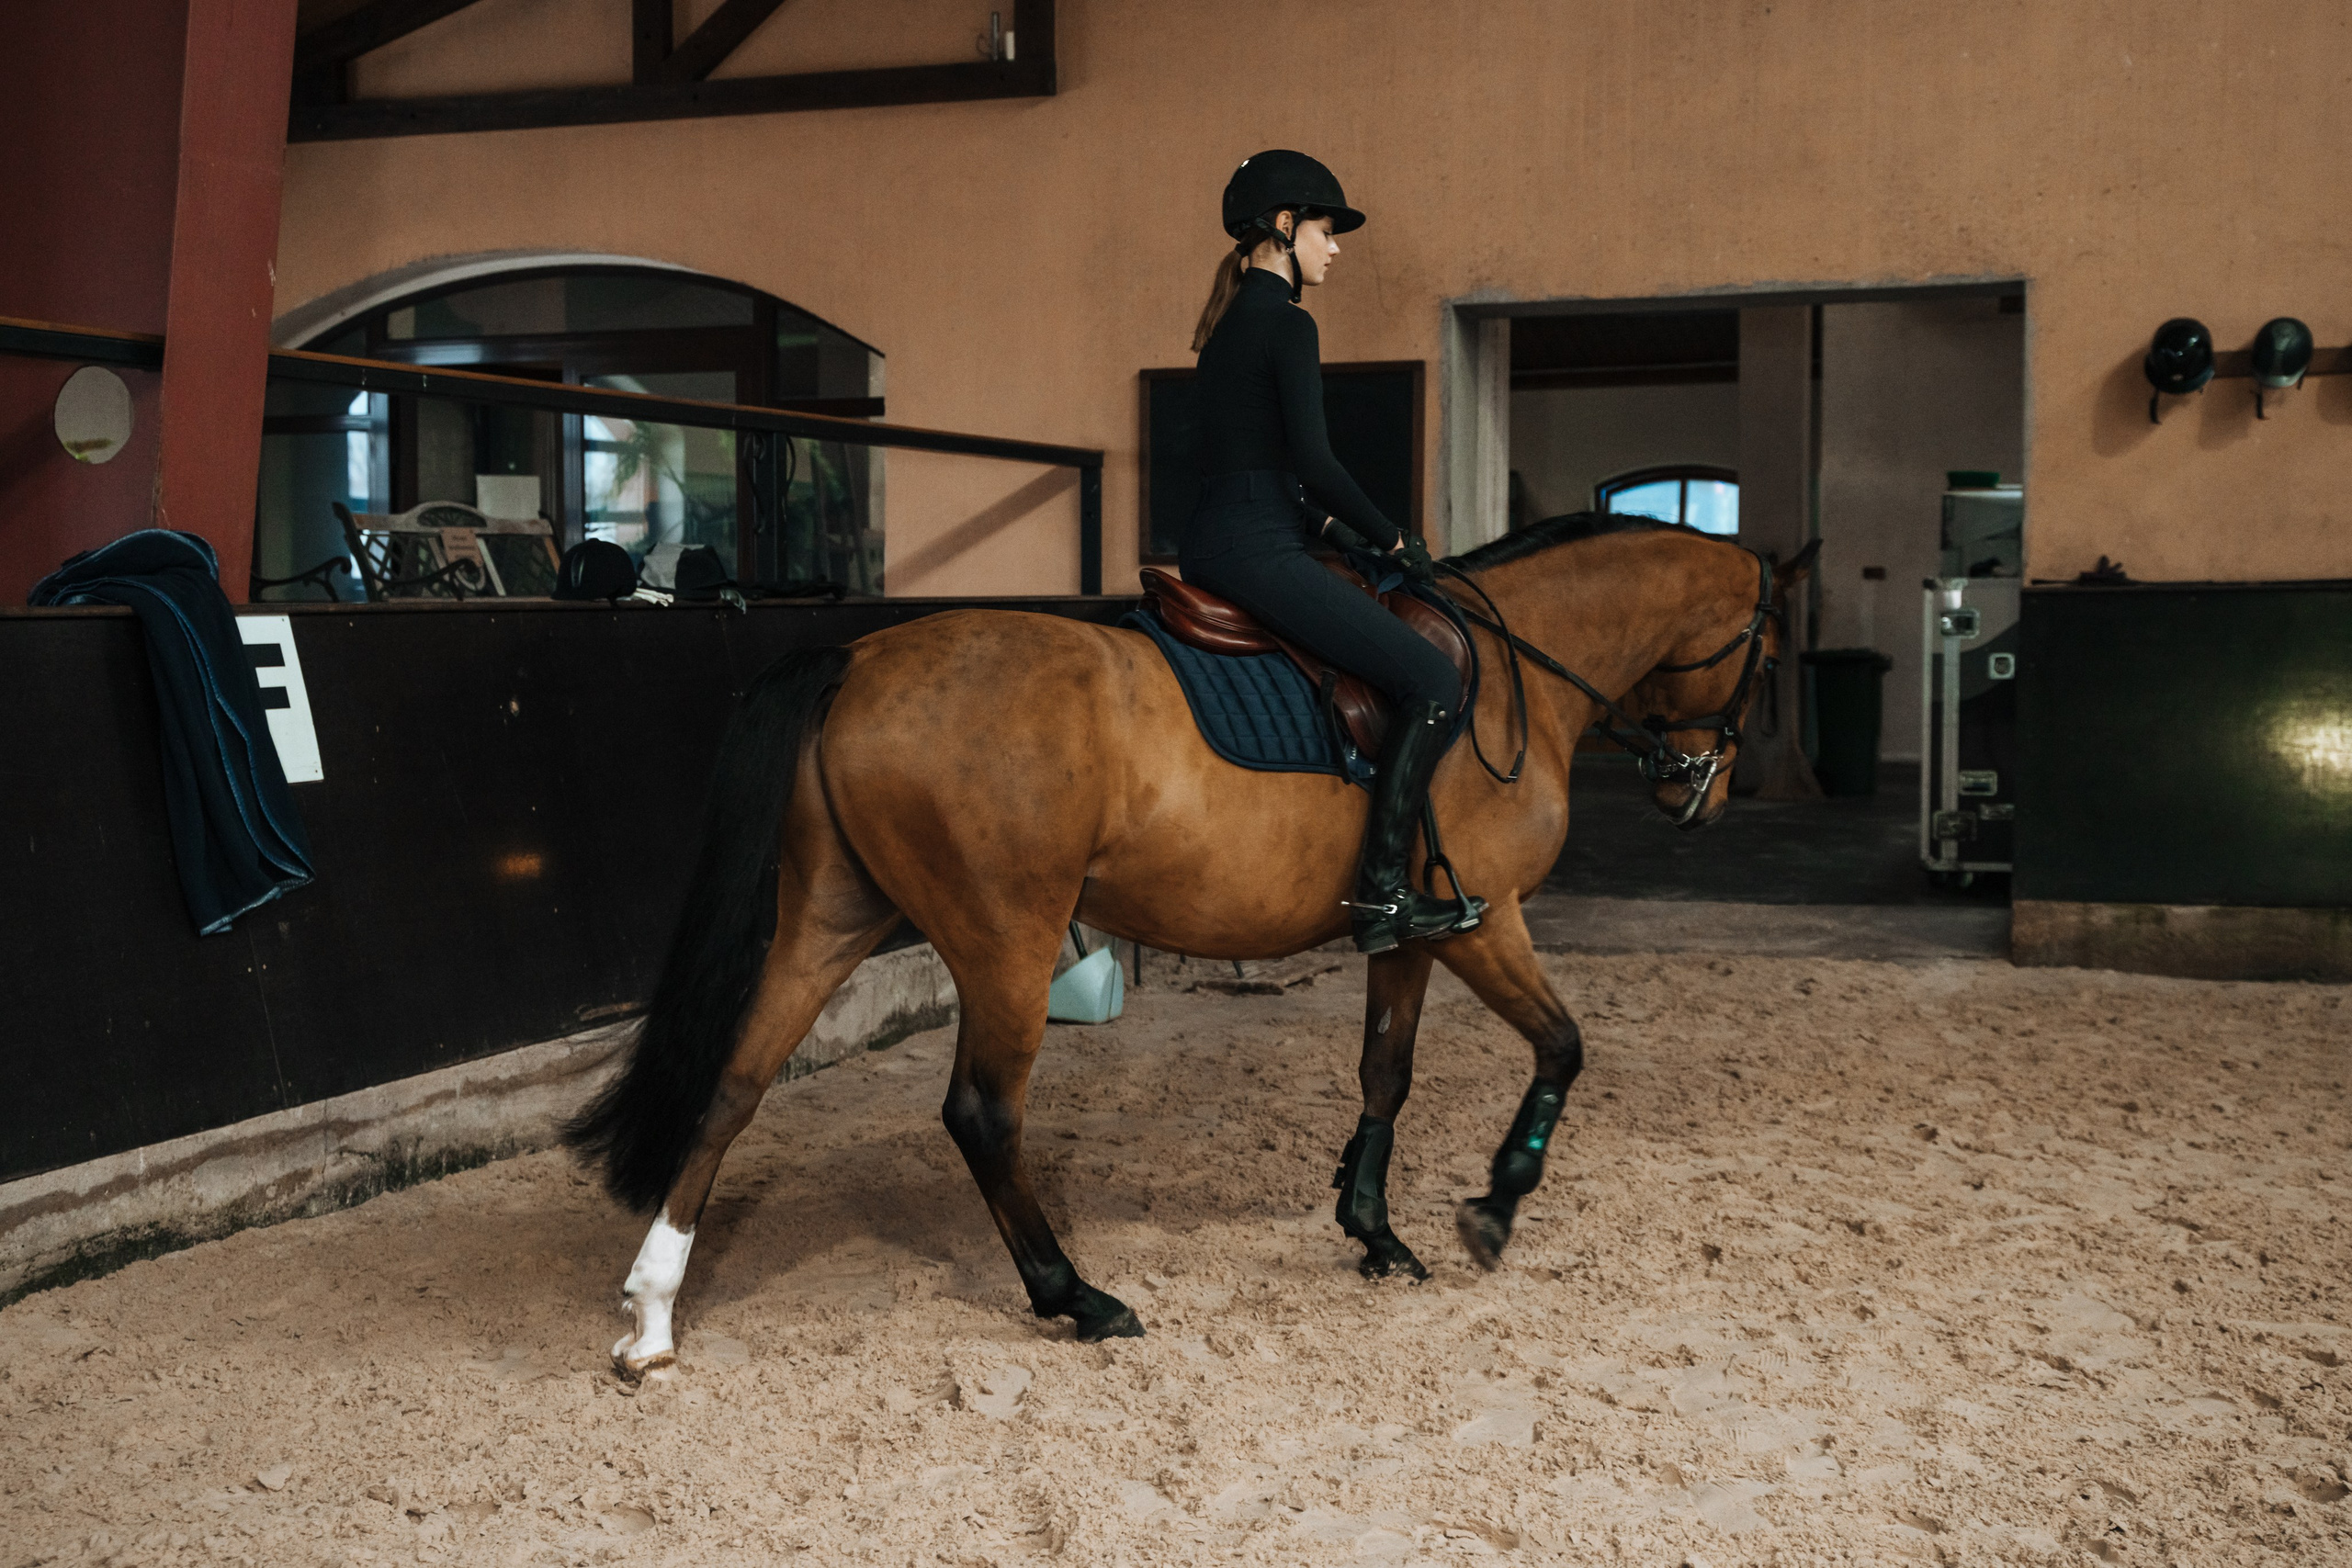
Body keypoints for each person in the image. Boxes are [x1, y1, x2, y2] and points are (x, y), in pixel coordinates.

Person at [1181, 150, 1485, 954]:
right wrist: (1395, 539)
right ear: (1283, 230)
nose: (1334, 247)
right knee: (1428, 674)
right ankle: (1384, 893)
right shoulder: (1287, 323)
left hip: (1227, 540)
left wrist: (1340, 536)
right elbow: (1314, 464)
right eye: (1324, 229)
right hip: (1255, 551)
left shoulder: (1222, 330)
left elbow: (1264, 474)